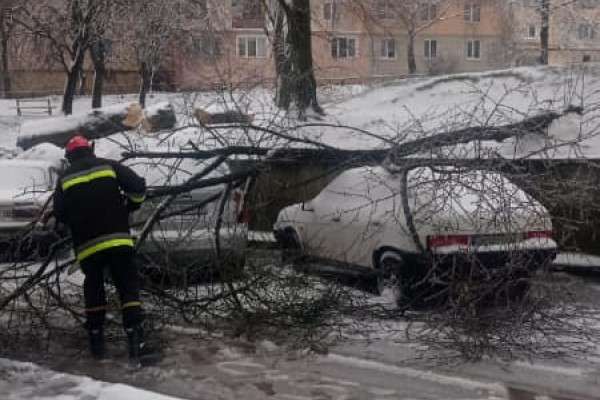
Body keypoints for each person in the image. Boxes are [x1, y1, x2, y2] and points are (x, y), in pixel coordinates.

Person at [53, 135, 149, 365]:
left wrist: (77, 219)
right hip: (117, 239)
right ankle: (136, 341)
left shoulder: (64, 178)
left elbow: (60, 213)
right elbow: (137, 187)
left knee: (94, 285)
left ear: (69, 157)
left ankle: (96, 342)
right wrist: (131, 205)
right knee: (126, 284)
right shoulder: (109, 165)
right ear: (90, 150)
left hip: (87, 246)